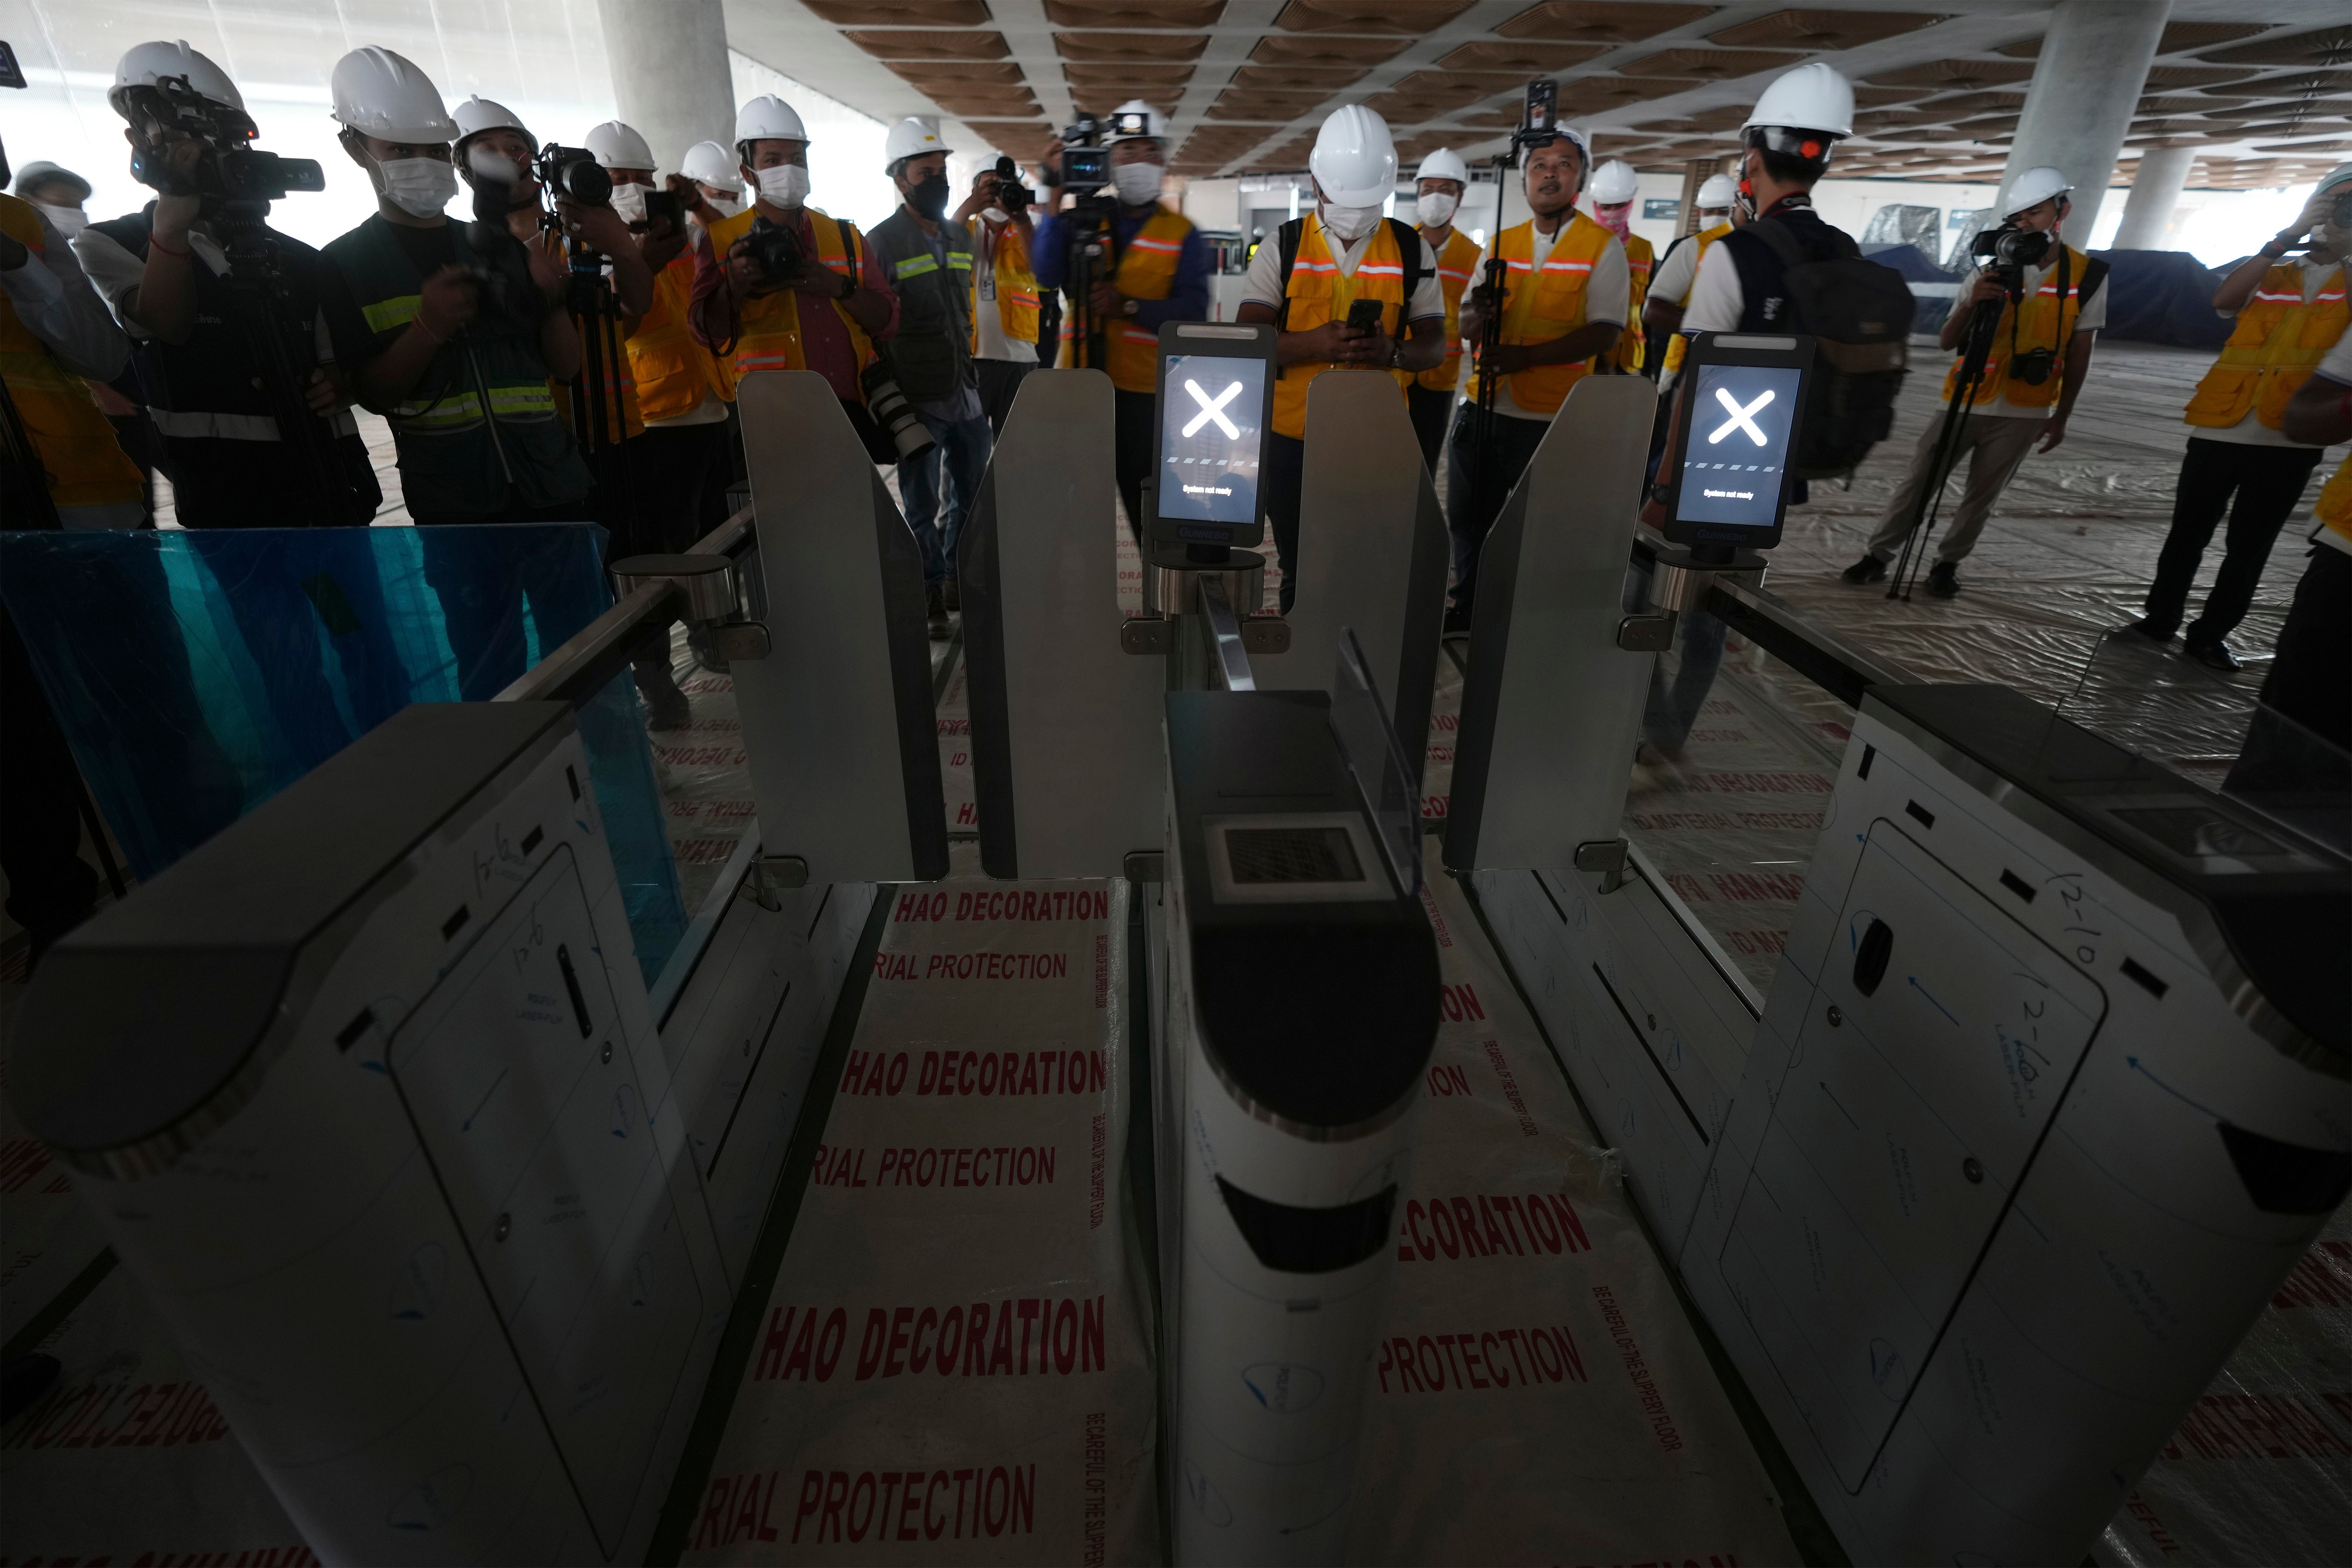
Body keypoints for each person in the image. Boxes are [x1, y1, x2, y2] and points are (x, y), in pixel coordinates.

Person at [73, 41, 410, 770]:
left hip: (326, 502)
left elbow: (347, 365)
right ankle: (332, 798)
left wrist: (339, 384)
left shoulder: (298, 259)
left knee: (364, 646)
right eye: (157, 137)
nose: (171, 149)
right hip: (237, 519)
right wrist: (174, 218)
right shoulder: (114, 245)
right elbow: (165, 321)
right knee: (290, 671)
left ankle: (403, 774)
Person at [1, 148, 237, 955]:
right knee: (18, 738)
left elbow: (103, 355)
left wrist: (22, 270)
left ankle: (210, 867)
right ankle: (59, 920)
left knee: (149, 689)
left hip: (84, 498)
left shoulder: (19, 225)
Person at [316, 47, 593, 700]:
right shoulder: (343, 265)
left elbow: (568, 367)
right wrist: (430, 327)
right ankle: (514, 793)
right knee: (490, 669)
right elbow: (376, 394)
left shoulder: (498, 244)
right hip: (457, 504)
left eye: (437, 150)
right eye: (400, 149)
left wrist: (547, 294)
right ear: (356, 148)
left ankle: (602, 779)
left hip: (552, 486)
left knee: (586, 654)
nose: (426, 165)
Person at [1639, 64, 1859, 756]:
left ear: (1752, 158)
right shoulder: (1844, 252)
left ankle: (1649, 729)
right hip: (1775, 468)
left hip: (1704, 466)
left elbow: (1702, 385)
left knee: (1639, 599)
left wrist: (1664, 488)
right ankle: (1677, 730)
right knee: (1718, 609)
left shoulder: (1734, 256)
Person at [1844, 165, 2107, 598]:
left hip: (2026, 406)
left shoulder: (2089, 275)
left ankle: (1947, 565)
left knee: (1982, 496)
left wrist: (2062, 415)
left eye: (2036, 213)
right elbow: (1948, 341)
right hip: (1963, 399)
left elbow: (2081, 350)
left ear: (2063, 211)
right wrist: (1973, 304)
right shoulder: (1991, 268)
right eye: (2019, 217)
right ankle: (1879, 555)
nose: (2027, 224)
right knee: (1918, 483)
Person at [2127, 164, 2351, 671]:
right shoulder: (2275, 268)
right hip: (2221, 424)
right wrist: (2287, 235)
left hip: (2289, 435)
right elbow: (2224, 300)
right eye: (2335, 199)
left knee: (2248, 548)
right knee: (2187, 533)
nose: (2342, 209)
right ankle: (2159, 619)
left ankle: (2211, 634)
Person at [1235, 106, 1447, 614]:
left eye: (1369, 199)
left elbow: (1435, 346)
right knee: (1301, 565)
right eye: (1340, 196)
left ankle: (1358, 667)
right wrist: (1313, 345)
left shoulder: (1412, 250)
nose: (1354, 209)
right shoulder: (1282, 247)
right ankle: (1300, 665)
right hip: (1294, 442)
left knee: (1369, 563)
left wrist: (1392, 352)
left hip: (1376, 441)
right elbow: (1247, 342)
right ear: (1315, 182)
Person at [690, 93, 898, 581]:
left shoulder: (845, 237)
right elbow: (707, 332)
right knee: (782, 562)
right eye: (773, 160)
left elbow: (888, 319)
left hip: (845, 416)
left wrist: (838, 288)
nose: (789, 169)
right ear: (747, 171)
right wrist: (736, 288)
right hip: (768, 425)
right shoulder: (720, 242)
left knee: (851, 551)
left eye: (797, 157)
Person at [1448, 121, 1626, 632]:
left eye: (1563, 166)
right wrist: (1478, 313)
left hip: (1551, 417)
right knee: (1470, 520)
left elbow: (1604, 333)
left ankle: (1532, 616)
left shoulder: (1600, 247)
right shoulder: (1502, 243)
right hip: (1484, 406)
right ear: (1524, 180)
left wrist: (1527, 359)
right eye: (1539, 167)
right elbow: (1464, 327)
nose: (1550, 175)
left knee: (1541, 527)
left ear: (1579, 181)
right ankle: (1470, 605)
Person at [1031, 101, 1212, 538]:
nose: (1137, 163)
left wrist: (1128, 306)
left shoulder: (1182, 234)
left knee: (1149, 509)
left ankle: (1161, 592)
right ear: (1108, 160)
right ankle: (1070, 596)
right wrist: (1054, 191)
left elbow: (1193, 311)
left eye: (1148, 152)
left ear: (1163, 161)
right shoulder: (1083, 218)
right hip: (1079, 385)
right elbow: (1045, 272)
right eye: (1127, 153)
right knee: (1068, 512)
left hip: (1146, 398)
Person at [870, 119, 990, 637]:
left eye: (942, 171)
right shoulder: (881, 242)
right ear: (900, 179)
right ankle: (927, 589)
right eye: (926, 172)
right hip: (917, 394)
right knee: (921, 502)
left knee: (973, 492)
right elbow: (875, 324)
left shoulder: (961, 235)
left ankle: (956, 577)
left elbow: (964, 310)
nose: (937, 181)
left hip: (965, 390)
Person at [1405, 147, 1478, 473]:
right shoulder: (1400, 244)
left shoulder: (1475, 255)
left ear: (1460, 197)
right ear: (1418, 195)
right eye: (1428, 190)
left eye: (1446, 190)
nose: (1436, 198)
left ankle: (1420, 522)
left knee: (1425, 461)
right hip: (1398, 369)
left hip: (1441, 376)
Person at [954, 161, 1040, 433]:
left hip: (1020, 360)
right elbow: (939, 249)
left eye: (1002, 186)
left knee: (1016, 451)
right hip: (970, 359)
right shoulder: (964, 228)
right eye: (989, 187)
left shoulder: (1027, 227)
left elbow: (1042, 268)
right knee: (966, 453)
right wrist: (968, 208)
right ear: (974, 191)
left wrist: (1020, 216)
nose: (996, 193)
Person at [1641, 171, 1737, 391]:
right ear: (1699, 212)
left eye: (1723, 210)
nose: (1715, 216)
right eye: (1709, 210)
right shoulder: (1689, 247)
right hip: (1681, 354)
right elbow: (1655, 309)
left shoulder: (1748, 247)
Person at [1586, 159, 1651, 374]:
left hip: (1629, 356)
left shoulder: (1645, 249)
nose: (1613, 212)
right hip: (1587, 353)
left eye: (1620, 206)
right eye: (1606, 207)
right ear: (1595, 204)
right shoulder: (1581, 245)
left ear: (1631, 203)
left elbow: (1647, 311)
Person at [678, 139, 745, 226]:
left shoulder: (743, 236)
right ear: (692, 192)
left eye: (734, 199)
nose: (730, 204)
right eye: (720, 195)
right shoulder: (683, 239)